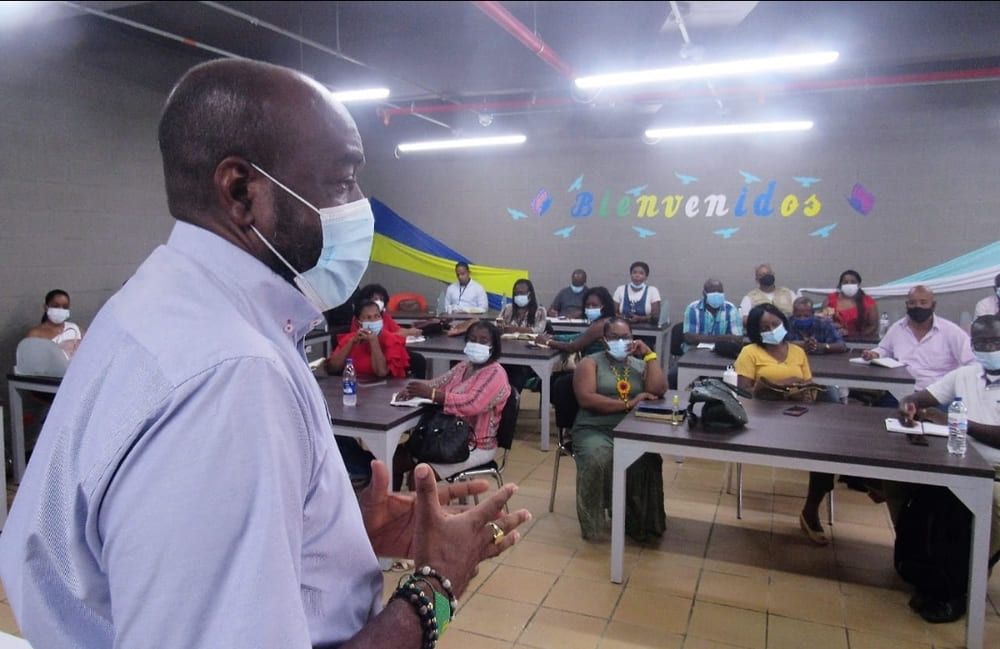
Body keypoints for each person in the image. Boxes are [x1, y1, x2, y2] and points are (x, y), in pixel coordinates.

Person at [0, 60, 530, 649]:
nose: (359, 205)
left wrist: (330, 533)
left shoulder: (157, 304)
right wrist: (435, 588)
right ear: (241, 191)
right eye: (342, 180)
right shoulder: (230, 378)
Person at [894, 314, 1000, 623]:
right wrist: (909, 404)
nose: (988, 349)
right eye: (980, 343)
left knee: (961, 513)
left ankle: (957, 589)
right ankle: (928, 576)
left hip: (995, 473)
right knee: (919, 497)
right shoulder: (966, 374)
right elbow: (921, 396)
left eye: (994, 342)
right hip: (959, 463)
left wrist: (958, 423)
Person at [735, 304, 833, 545]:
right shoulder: (750, 352)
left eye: (775, 324)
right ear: (756, 331)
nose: (771, 330)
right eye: (764, 327)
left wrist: (800, 390)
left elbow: (809, 387)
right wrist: (779, 385)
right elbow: (743, 393)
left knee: (826, 450)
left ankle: (810, 511)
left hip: (798, 417)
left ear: (784, 323)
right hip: (762, 420)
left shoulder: (798, 352)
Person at [571, 317, 667, 541]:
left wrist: (649, 355)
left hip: (632, 430)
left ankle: (639, 523)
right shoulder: (590, 363)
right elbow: (586, 399)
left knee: (648, 460)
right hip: (594, 428)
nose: (621, 341)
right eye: (614, 337)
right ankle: (593, 525)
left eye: (626, 337)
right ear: (604, 340)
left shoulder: (640, 365)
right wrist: (629, 404)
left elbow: (658, 390)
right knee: (598, 459)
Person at [392, 321, 511, 489]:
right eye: (472, 339)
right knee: (393, 460)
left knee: (420, 476)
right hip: (442, 435)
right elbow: (437, 383)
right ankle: (392, 504)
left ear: (494, 346)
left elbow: (472, 404)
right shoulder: (464, 367)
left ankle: (426, 507)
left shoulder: (495, 373)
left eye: (483, 341)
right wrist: (412, 388)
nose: (476, 344)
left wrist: (433, 395)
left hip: (473, 445)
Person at [862, 285, 975, 390]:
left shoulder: (951, 331)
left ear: (933, 305)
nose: (918, 306)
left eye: (923, 302)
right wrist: (875, 354)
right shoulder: (897, 328)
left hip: (938, 394)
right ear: (907, 305)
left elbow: (972, 362)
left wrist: (957, 386)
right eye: (912, 303)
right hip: (900, 390)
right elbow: (884, 349)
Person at [326, 299, 410, 380]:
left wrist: (374, 342)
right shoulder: (351, 338)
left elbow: (381, 372)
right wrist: (351, 343)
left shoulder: (392, 340)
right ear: (358, 322)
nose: (373, 320)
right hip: (354, 384)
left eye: (377, 316)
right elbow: (333, 368)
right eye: (368, 317)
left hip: (383, 387)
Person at [536, 286, 617, 358]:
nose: (590, 308)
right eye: (587, 305)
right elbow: (581, 336)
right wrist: (554, 337)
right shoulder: (607, 320)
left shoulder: (600, 325)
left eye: (594, 305)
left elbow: (573, 347)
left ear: (604, 306)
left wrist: (547, 342)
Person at [682, 278, 744, 351]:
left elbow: (738, 339)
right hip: (695, 351)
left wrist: (701, 338)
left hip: (722, 351)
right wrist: (726, 338)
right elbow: (689, 338)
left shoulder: (731, 309)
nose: (716, 294)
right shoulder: (693, 308)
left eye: (720, 292)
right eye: (713, 292)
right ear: (704, 293)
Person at [26, 289, 85, 358]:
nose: (61, 309)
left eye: (65, 307)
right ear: (46, 307)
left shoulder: (75, 329)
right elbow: (30, 359)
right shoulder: (35, 334)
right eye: (56, 306)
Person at [823, 269, 879, 338]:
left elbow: (873, 326)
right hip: (834, 339)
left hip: (859, 341)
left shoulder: (868, 302)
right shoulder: (831, 300)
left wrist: (852, 334)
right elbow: (825, 322)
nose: (849, 285)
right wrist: (833, 326)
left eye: (853, 282)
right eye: (845, 282)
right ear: (840, 285)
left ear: (858, 285)